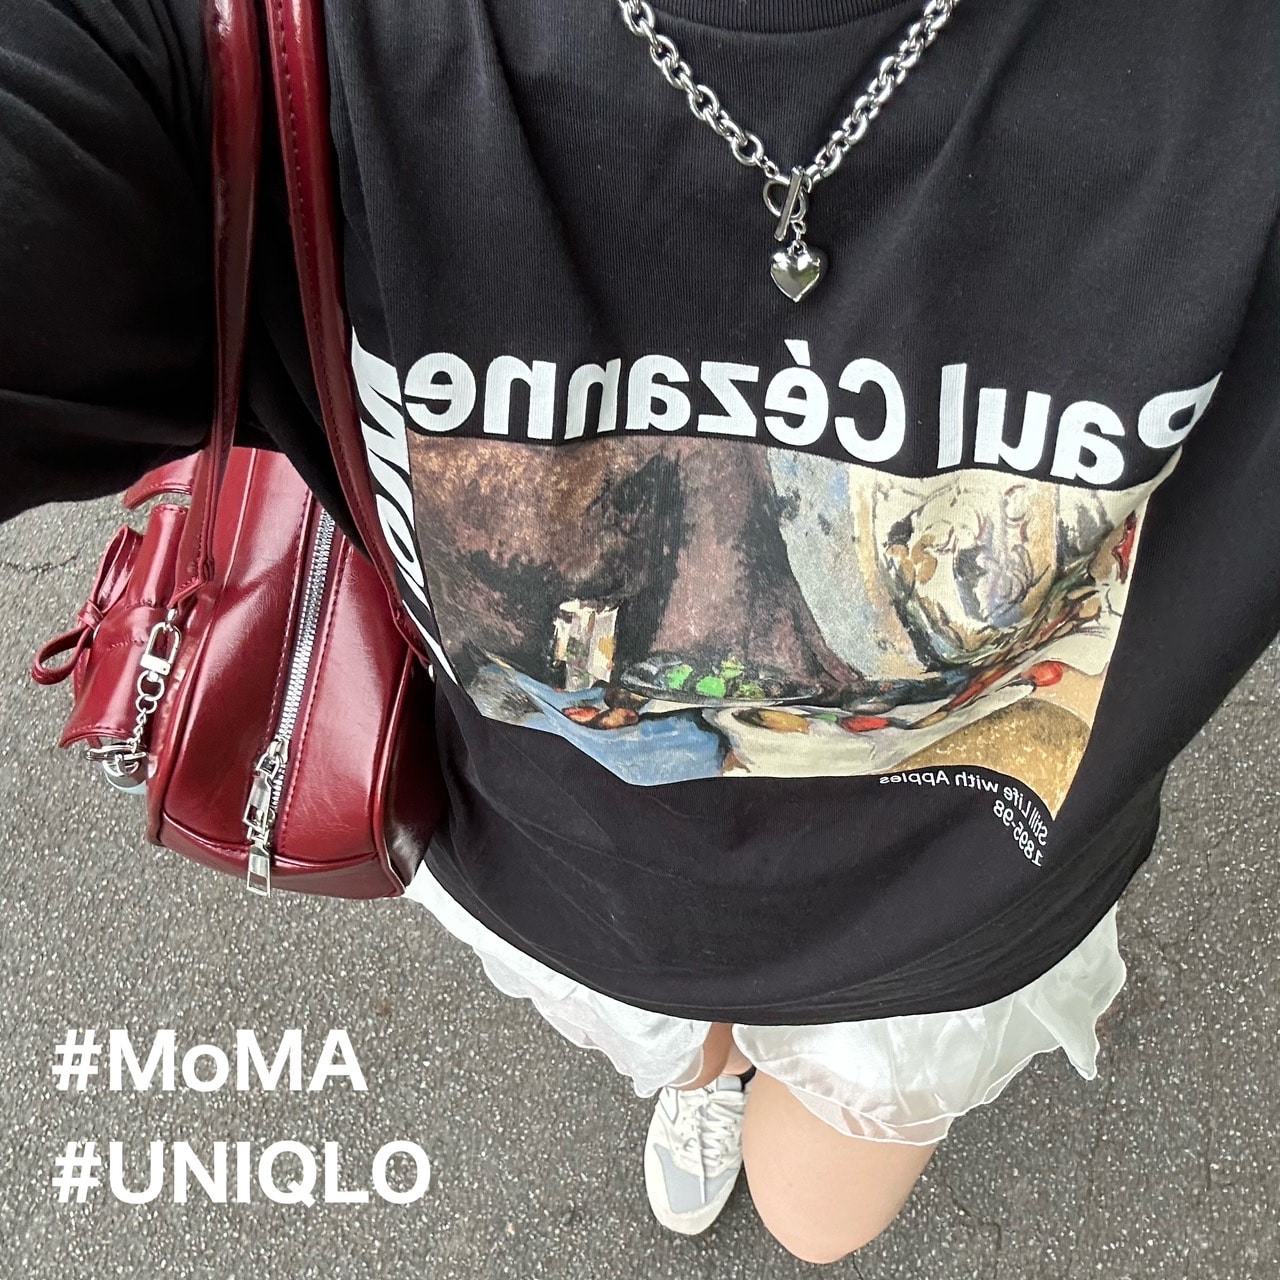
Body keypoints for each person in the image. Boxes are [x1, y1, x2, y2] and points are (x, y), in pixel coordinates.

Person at [3, 0, 1277, 1263]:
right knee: (671, 1042)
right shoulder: (259, 40)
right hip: (571, 878)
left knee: (812, 1217)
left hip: (946, 924)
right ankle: (701, 1064)